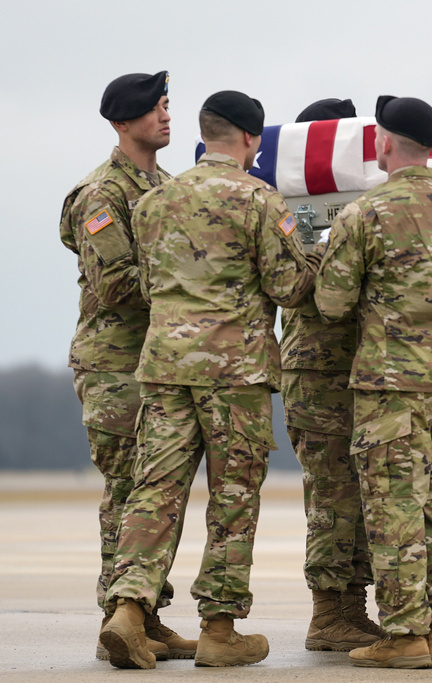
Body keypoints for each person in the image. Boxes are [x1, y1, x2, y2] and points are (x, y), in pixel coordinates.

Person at [99, 90, 324, 669]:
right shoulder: (258, 200)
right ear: (251, 139)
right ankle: (219, 629)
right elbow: (287, 288)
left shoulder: (153, 202)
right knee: (231, 497)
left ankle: (127, 609)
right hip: (235, 372)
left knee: (155, 490)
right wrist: (316, 261)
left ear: (205, 134)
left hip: (166, 368)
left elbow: (145, 287)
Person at [316, 95, 432, 669]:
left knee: (395, 505)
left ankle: (404, 634)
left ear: (384, 143)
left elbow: (331, 302)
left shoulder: (365, 214)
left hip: (392, 384)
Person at [60, 70, 197, 663]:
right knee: (128, 491)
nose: (166, 116)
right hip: (115, 366)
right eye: (154, 108)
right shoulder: (101, 194)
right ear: (122, 122)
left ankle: (144, 612)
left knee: (155, 491)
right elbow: (115, 284)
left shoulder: (162, 185)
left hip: (155, 362)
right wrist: (195, 276)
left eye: (168, 106)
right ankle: (117, 618)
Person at [281, 98, 386, 652]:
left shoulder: (354, 211)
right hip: (317, 373)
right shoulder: (293, 216)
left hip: (356, 370)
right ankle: (328, 613)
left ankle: (352, 607)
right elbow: (304, 290)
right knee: (331, 497)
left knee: (362, 496)